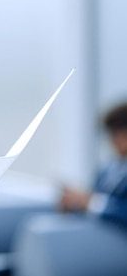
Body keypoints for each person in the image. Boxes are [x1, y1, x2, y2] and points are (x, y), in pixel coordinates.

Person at [10, 102, 127, 276]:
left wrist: (91, 202)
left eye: (118, 133)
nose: (113, 141)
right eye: (111, 134)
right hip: (92, 243)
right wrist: (74, 205)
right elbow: (94, 203)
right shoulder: (109, 168)